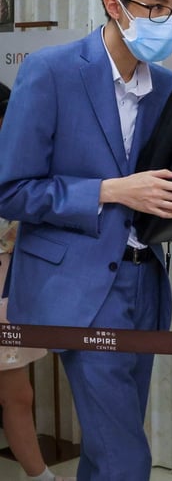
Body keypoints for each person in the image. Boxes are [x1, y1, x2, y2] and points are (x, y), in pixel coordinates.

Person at [0, 0, 172, 481]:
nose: (167, 21)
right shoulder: (50, 72)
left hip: (146, 284)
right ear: (114, 5)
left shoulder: (170, 88)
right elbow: (11, 190)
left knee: (105, 448)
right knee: (125, 457)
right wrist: (111, 191)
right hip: (78, 287)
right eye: (156, 6)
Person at [0, 93, 72, 481]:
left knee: (17, 391)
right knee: (17, 392)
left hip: (12, 283)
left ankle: (39, 474)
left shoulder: (22, 158)